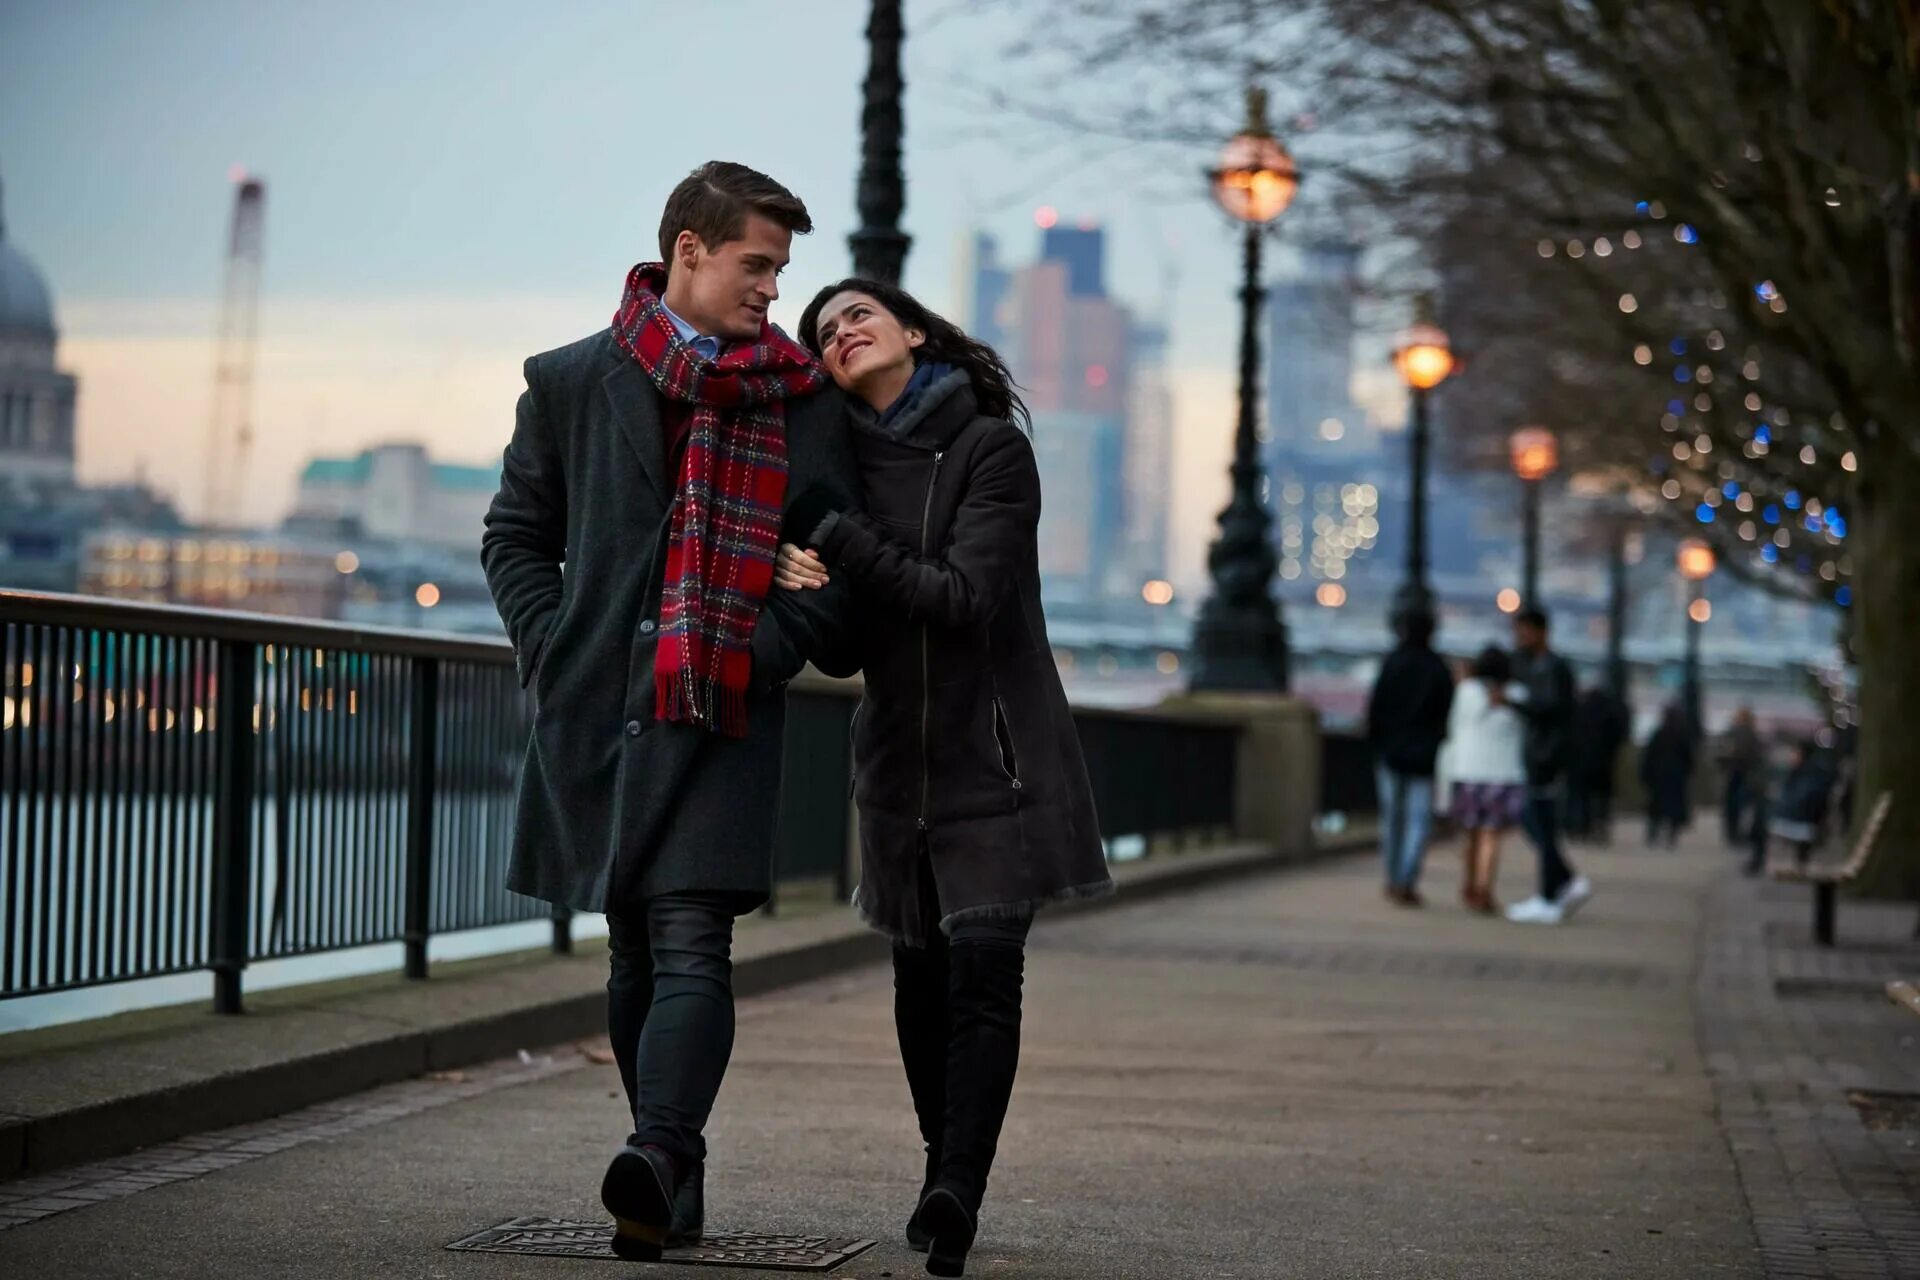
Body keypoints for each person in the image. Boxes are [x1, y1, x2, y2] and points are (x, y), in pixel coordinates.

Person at [480, 162, 862, 1261]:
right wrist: (556, 649)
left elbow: (838, 577)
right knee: (634, 950)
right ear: (688, 249)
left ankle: (655, 1146)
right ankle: (670, 1173)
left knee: (695, 941)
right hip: (600, 710)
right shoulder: (566, 381)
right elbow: (515, 537)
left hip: (722, 712)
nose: (772, 293)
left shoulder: (802, 404)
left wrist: (762, 642)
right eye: (757, 265)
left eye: (781, 273)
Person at [775, 278, 1113, 1279]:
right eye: (825, 329)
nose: (841, 331)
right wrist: (810, 581)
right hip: (895, 762)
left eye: (858, 315)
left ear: (913, 332)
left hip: (995, 753)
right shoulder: (839, 466)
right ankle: (940, 1165)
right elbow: (844, 651)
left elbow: (963, 597)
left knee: (981, 978)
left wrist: (837, 541)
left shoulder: (990, 450)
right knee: (919, 985)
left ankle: (960, 1185)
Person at [1504, 608, 1592, 925]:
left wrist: (1514, 703)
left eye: (1524, 631)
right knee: (1536, 822)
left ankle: (1552, 893)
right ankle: (1562, 884)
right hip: (1539, 755)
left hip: (1548, 757)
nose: (1519, 638)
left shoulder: (1553, 669)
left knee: (1541, 822)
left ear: (1541, 631)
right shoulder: (1533, 665)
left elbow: (1551, 710)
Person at [1366, 609, 1456, 905]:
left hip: (1391, 752)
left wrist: (1378, 743)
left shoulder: (1392, 663)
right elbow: (1447, 714)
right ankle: (1406, 879)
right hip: (1424, 756)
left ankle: (1392, 879)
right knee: (1419, 821)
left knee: (1392, 819)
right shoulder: (1438, 667)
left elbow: (1375, 708)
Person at [1442, 646, 1528, 914]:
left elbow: (1453, 726)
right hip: (1503, 773)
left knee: (1470, 834)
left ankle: (1468, 884)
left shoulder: (1466, 692)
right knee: (1491, 835)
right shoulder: (1517, 694)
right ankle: (1484, 889)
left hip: (1467, 770)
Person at [1566, 684, 1627, 843]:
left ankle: (1582, 827)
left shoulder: (1579, 714)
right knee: (1602, 799)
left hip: (1582, 764)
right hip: (1604, 765)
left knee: (1582, 798)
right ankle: (1600, 826)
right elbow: (1618, 737)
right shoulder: (1610, 715)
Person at [1765, 738, 1834, 867]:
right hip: (1801, 818)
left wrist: (1781, 805)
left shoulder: (1810, 775)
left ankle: (1796, 862)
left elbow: (1803, 802)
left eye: (1794, 753)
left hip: (1804, 821)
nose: (1790, 756)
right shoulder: (1802, 773)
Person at [1640, 703, 1695, 848]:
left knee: (1656, 807)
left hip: (1659, 776)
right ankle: (1671, 836)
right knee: (1674, 808)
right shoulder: (1682, 734)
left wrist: (1646, 774)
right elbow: (1688, 757)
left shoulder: (1659, 734)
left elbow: (1649, 756)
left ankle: (1653, 834)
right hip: (1676, 777)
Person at [1718, 706, 1763, 845]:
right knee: (1742, 806)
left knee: (1732, 806)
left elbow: (1722, 753)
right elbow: (1757, 756)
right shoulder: (1752, 734)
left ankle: (1732, 833)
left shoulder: (1732, 733)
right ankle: (1739, 834)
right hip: (1745, 774)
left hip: (1735, 773)